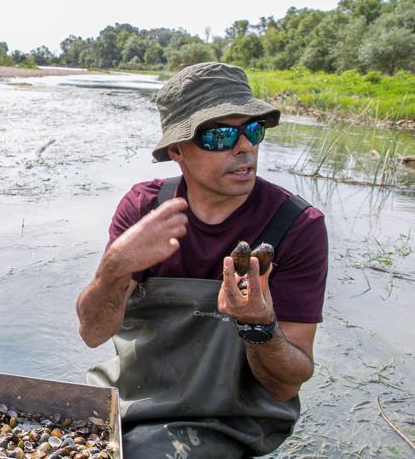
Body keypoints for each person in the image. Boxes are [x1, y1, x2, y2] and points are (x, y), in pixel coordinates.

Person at [76, 62, 328, 458]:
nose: (244, 146)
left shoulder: (295, 227)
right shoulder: (145, 209)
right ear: (177, 150)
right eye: (221, 135)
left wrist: (257, 325)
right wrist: (116, 266)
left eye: (253, 130)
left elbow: (285, 386)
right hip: (129, 403)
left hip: (228, 423)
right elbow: (92, 333)